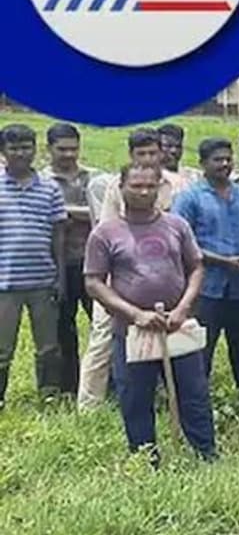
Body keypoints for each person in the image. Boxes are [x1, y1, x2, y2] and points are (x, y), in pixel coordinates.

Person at [83, 162, 215, 462]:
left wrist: (183, 308)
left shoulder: (177, 226)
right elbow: (94, 282)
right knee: (136, 399)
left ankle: (206, 456)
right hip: (132, 331)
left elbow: (196, 268)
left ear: (159, 189)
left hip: (177, 327)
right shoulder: (105, 233)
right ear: (121, 188)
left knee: (193, 395)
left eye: (150, 186)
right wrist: (135, 314)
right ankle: (145, 460)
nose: (143, 192)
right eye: (136, 186)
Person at [79, 127, 189, 410]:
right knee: (103, 338)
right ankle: (89, 405)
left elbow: (182, 232)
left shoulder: (177, 185)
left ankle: (165, 398)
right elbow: (107, 231)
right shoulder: (118, 186)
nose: (148, 159)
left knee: (171, 337)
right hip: (121, 274)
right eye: (142, 153)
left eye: (153, 152)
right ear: (131, 155)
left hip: (165, 273)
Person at [173, 138, 239, 412]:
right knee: (202, 350)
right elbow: (181, 242)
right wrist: (223, 261)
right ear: (203, 163)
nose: (224, 164)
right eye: (217, 159)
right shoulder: (190, 198)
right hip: (206, 288)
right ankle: (196, 404)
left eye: (228, 158)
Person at [0, 124, 67, 408]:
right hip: (5, 284)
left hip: (42, 282)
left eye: (26, 147)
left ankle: (49, 395)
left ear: (35, 149)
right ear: (3, 151)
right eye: (14, 148)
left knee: (48, 346)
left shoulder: (49, 188)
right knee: (2, 347)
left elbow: (59, 236)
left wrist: (60, 278)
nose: (21, 153)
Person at [41, 123, 99, 395]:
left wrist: (63, 210)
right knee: (63, 327)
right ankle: (68, 388)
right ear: (49, 148)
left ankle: (105, 383)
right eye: (62, 149)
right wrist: (83, 212)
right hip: (58, 265)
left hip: (95, 263)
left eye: (74, 149)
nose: (69, 155)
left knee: (102, 325)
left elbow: (103, 214)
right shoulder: (42, 181)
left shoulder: (94, 177)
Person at [157, 123, 204, 191]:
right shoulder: (149, 179)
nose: (174, 150)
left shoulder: (195, 177)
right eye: (168, 146)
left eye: (178, 146)